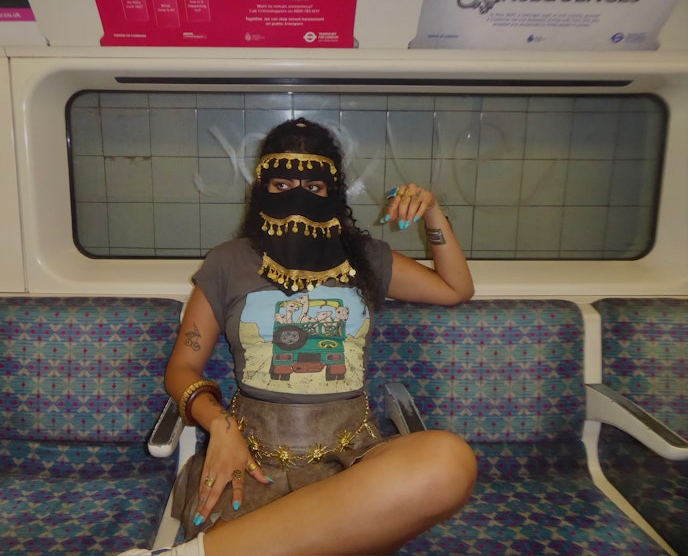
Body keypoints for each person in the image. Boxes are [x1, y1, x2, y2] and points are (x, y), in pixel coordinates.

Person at [122, 117, 476, 556]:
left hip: (351, 457)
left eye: (313, 188)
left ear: (332, 193)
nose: (297, 198)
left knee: (449, 459)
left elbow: (455, 288)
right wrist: (219, 425)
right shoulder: (229, 261)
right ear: (262, 189)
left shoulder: (365, 257)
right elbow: (182, 368)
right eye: (282, 184)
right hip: (251, 456)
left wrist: (433, 212)